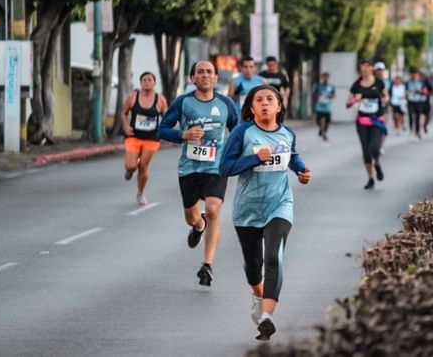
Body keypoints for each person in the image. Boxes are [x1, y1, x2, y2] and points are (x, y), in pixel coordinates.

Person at [219, 85, 311, 341]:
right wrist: (254, 159)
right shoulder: (242, 132)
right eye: (259, 99)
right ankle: (258, 297)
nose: (265, 103)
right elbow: (224, 168)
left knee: (274, 258)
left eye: (270, 99)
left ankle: (267, 317)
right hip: (247, 210)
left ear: (279, 106)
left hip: (279, 205)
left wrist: (302, 171)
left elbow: (292, 157)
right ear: (251, 108)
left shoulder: (287, 133)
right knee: (253, 266)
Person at [159, 60, 239, 286]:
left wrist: (238, 154)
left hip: (216, 167)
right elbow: (162, 129)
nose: (205, 75)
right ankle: (199, 225)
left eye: (209, 72)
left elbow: (238, 130)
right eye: (200, 72)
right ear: (193, 78)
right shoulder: (183, 102)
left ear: (215, 78)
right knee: (191, 217)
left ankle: (208, 265)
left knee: (213, 210)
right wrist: (183, 135)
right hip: (189, 168)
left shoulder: (226, 104)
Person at [120, 72, 168, 205]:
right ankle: (130, 170)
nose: (147, 82)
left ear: (154, 82)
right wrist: (126, 126)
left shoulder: (160, 99)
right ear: (140, 82)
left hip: (151, 138)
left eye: (150, 79)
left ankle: (140, 193)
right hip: (134, 136)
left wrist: (164, 130)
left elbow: (167, 117)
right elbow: (123, 113)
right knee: (131, 165)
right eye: (144, 80)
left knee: (144, 166)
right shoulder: (132, 97)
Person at [346, 59, 388, 189]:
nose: (364, 69)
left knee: (374, 148)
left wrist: (384, 100)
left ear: (371, 69)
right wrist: (354, 99)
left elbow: (386, 96)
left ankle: (377, 164)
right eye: (362, 67)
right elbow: (347, 104)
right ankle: (370, 178)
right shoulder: (356, 85)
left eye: (366, 66)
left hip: (376, 121)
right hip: (362, 122)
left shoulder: (379, 83)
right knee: (365, 151)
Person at [373, 62, 390, 153]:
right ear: (374, 71)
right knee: (374, 127)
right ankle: (374, 144)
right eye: (378, 69)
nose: (380, 71)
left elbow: (389, 94)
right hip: (373, 107)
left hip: (384, 107)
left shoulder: (387, 82)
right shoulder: (371, 81)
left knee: (383, 127)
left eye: (382, 69)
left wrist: (385, 99)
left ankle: (381, 146)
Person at [313, 72, 335, 141]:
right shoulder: (318, 85)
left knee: (328, 121)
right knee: (317, 120)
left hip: (327, 107)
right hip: (319, 106)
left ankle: (324, 133)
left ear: (328, 78)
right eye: (324, 77)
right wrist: (317, 97)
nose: (325, 78)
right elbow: (314, 94)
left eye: (327, 77)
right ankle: (321, 128)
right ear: (322, 78)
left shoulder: (331, 86)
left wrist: (329, 96)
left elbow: (333, 95)